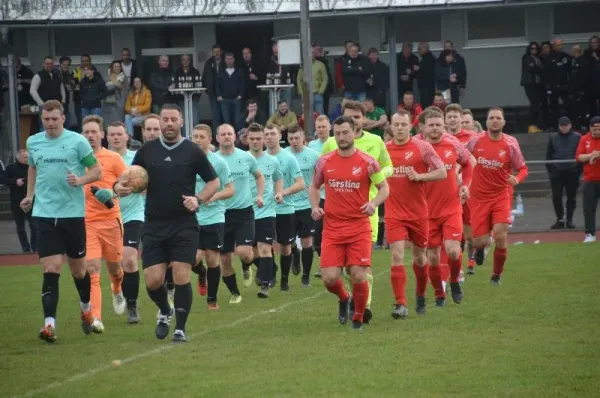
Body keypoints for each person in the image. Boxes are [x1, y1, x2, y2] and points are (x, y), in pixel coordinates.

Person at [114, 104, 220, 343]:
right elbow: (128, 178)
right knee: (153, 281)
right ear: (160, 123)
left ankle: (180, 329)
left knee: (182, 276)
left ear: (181, 121)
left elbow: (214, 182)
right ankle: (165, 310)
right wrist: (117, 187)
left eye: (173, 119)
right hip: (153, 224)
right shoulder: (147, 150)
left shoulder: (193, 151)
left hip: (184, 224)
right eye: (165, 119)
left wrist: (198, 199)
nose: (169, 123)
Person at [21, 100, 102, 343]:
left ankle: (86, 310)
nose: (50, 123)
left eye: (54, 118)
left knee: (79, 270)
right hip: (44, 214)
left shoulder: (77, 141)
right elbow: (33, 169)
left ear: (63, 118)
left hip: (72, 215)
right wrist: (30, 195)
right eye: (46, 119)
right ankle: (49, 325)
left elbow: (96, 171)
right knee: (51, 268)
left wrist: (81, 180)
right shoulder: (33, 142)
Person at [309, 115, 389, 332]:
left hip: (359, 227)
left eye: (346, 132)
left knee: (358, 274)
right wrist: (315, 206)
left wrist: (373, 203)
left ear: (354, 132)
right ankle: (345, 298)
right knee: (329, 278)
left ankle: (358, 317)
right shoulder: (324, 162)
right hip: (333, 228)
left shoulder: (368, 161)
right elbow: (314, 187)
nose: (342, 137)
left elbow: (384, 188)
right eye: (338, 134)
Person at [385, 110, 446, 318]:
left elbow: (442, 171)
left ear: (410, 126)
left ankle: (420, 294)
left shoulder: (422, 147)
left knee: (420, 258)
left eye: (404, 124)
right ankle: (400, 304)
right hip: (394, 212)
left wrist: (420, 176)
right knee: (396, 254)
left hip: (419, 213)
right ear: (391, 127)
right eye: (396, 125)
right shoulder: (384, 150)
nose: (400, 128)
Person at [465, 107, 528, 284]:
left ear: (503, 122)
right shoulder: (475, 140)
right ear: (486, 122)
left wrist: (517, 178)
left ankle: (496, 275)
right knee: (479, 241)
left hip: (501, 196)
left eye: (498, 118)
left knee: (501, 235)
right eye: (491, 118)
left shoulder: (510, 143)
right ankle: (478, 250)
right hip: (478, 198)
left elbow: (523, 168)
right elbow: (461, 157)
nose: (494, 120)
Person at [80, 116, 128, 333]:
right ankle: (96, 318)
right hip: (87, 222)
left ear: (101, 135)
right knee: (91, 270)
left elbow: (129, 182)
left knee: (116, 270)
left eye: (93, 132)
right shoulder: (76, 159)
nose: (90, 136)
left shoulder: (113, 158)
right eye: (86, 132)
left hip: (111, 221)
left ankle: (117, 289)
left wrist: (113, 192)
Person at [422, 111, 473, 306]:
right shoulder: (418, 148)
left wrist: (465, 185)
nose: (434, 128)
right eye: (431, 125)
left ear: (443, 126)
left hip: (451, 207)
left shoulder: (453, 144)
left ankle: (454, 281)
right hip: (426, 211)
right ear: (424, 127)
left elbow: (468, 164)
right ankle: (438, 293)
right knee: (433, 258)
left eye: (438, 125)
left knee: (452, 251)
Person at [215, 124, 265, 303]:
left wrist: (259, 195)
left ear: (235, 137)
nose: (227, 137)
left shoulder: (246, 157)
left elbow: (259, 176)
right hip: (220, 214)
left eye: (229, 133)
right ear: (217, 137)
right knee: (225, 258)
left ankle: (246, 266)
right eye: (223, 134)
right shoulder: (212, 160)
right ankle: (235, 293)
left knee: (244, 252)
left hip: (244, 212)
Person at [189, 125, 235, 308]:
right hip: (192, 216)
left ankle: (212, 300)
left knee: (212, 258)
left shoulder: (218, 163)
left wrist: (213, 196)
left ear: (210, 140)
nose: (198, 140)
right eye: (195, 136)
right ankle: (201, 273)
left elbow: (231, 189)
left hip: (214, 216)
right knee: (192, 258)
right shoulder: (186, 162)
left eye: (201, 136)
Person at [107, 122, 144, 324]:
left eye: (119, 134)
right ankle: (116, 289)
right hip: (107, 218)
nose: (115, 137)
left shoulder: (136, 160)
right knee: (115, 267)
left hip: (133, 215)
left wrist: (146, 187)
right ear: (107, 136)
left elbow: (148, 181)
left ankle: (132, 306)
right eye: (112, 134)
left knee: (129, 259)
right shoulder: (100, 160)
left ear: (127, 136)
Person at [264, 124, 305, 291]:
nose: (269, 137)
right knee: (265, 245)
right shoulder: (259, 158)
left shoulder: (288, 158)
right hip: (265, 210)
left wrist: (283, 192)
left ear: (280, 135)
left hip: (285, 208)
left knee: (285, 246)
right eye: (266, 134)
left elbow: (301, 183)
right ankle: (272, 273)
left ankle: (284, 280)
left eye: (273, 134)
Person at [247, 123, 283, 297]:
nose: (256, 142)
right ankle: (270, 267)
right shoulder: (242, 159)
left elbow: (278, 179)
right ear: (247, 140)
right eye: (252, 139)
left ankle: (265, 286)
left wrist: (278, 193)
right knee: (247, 253)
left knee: (264, 248)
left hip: (267, 211)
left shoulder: (272, 161)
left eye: (259, 138)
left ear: (263, 139)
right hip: (245, 212)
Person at [286, 126, 320, 286]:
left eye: (296, 138)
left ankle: (306, 275)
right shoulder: (283, 154)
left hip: (307, 204)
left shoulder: (313, 156)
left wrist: (315, 192)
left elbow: (321, 178)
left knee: (307, 241)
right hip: (288, 205)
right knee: (289, 241)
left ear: (303, 138)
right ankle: (295, 255)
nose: (294, 141)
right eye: (291, 138)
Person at [546, 116, 582, 229]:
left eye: (566, 125)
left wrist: (578, 171)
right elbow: (548, 156)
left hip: (572, 172)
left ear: (570, 125)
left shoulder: (577, 137)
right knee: (556, 197)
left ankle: (569, 219)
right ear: (559, 126)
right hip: (557, 172)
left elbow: (581, 153)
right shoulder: (553, 137)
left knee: (571, 197)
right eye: (562, 125)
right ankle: (560, 219)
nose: (564, 128)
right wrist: (551, 170)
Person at [1, 149, 37, 253]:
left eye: (28, 157)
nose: (27, 159)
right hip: (17, 201)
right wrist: (15, 181)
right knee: (20, 227)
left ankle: (34, 246)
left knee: (34, 225)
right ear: (18, 157)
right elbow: (2, 179)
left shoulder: (32, 167)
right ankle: (25, 248)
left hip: (31, 200)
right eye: (25, 157)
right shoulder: (10, 168)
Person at [309, 115, 331, 277]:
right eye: (318, 127)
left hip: (334, 195)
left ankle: (326, 264)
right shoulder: (311, 146)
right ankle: (324, 261)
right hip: (318, 196)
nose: (321, 130)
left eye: (324, 127)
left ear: (329, 127)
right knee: (317, 233)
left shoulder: (336, 143)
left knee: (330, 231)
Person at [576, 116, 600, 243]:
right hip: (589, 179)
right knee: (589, 208)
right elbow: (579, 157)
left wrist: (598, 154)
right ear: (590, 128)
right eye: (594, 128)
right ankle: (590, 233)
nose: (597, 131)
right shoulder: (584, 139)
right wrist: (591, 155)